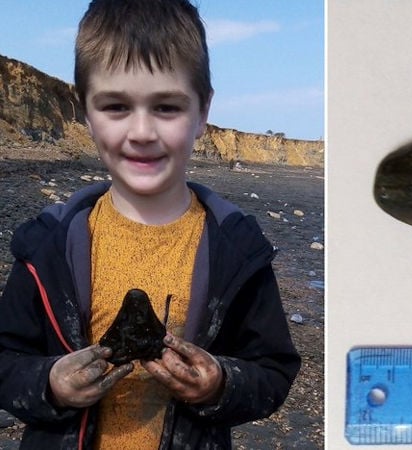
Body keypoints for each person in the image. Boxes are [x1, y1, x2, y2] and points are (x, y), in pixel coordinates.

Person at [0, 0, 300, 448]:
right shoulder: (47, 247)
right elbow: (6, 359)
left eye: (166, 107)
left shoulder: (238, 251)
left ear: (202, 113)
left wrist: (220, 383)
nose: (141, 131)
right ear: (84, 111)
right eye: (116, 106)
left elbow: (272, 370)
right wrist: (50, 383)